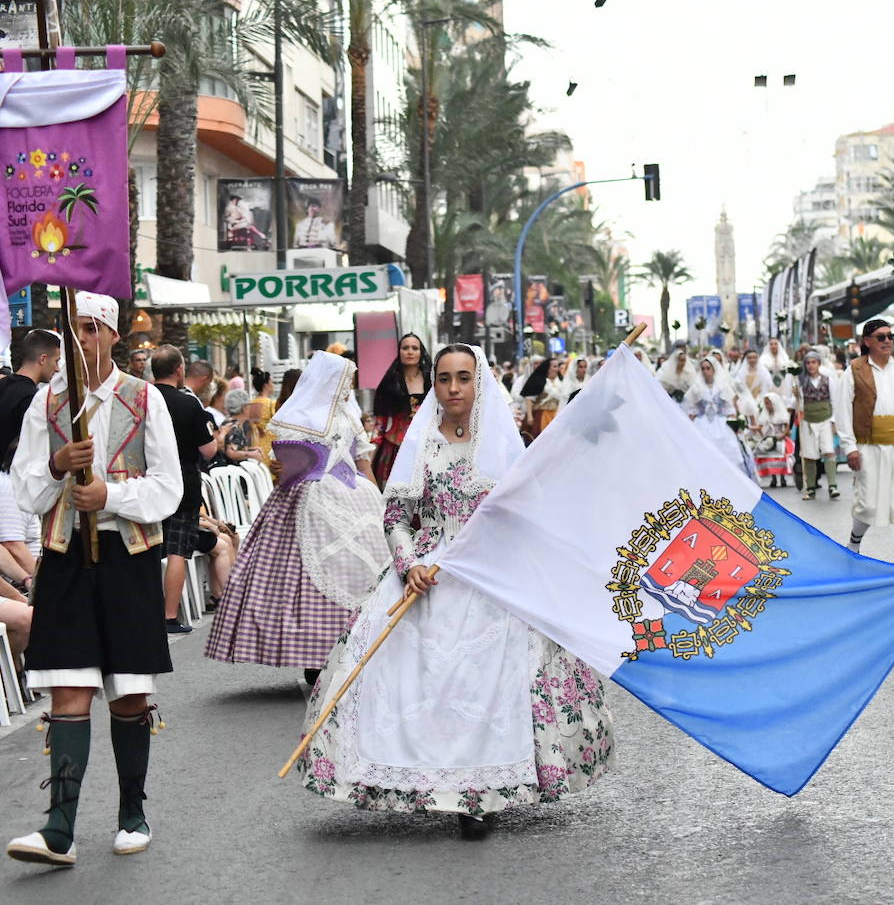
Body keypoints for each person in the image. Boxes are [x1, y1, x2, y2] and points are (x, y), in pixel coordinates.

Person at [296, 344, 612, 837]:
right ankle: (431, 782)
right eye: (444, 379)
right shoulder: (422, 445)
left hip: (495, 578)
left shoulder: (506, 447)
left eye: (463, 378)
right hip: (432, 573)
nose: (453, 389)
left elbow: (529, 517)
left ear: (478, 382)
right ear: (434, 384)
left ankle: (479, 797)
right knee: (425, 684)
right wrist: (410, 565)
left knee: (488, 682)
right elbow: (396, 518)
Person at [7, 293, 183, 866]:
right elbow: (27, 490)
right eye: (71, 330)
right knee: (69, 687)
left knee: (130, 692)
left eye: (89, 328)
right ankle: (59, 829)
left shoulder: (144, 398)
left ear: (111, 336)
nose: (80, 340)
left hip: (127, 557)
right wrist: (58, 467)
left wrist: (112, 494)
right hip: (64, 558)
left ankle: (132, 812)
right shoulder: (45, 403)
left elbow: (168, 488)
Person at [205, 352, 386, 686]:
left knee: (357, 571)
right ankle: (315, 653)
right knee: (302, 578)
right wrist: (285, 469)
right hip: (307, 498)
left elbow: (362, 463)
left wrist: (381, 503)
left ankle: (353, 647)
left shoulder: (349, 415)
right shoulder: (302, 414)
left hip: (353, 495)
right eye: (345, 381)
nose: (348, 388)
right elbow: (287, 459)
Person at [833, 319, 894, 565]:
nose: (887, 340)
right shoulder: (854, 370)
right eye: (881, 337)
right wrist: (850, 447)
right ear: (867, 341)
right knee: (867, 502)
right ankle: (854, 543)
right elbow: (843, 410)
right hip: (870, 446)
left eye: (890, 336)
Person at [150, 346, 218, 635]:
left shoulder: (141, 399)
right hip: (182, 483)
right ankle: (169, 616)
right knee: (177, 550)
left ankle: (146, 611)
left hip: (147, 483)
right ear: (179, 370)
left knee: (148, 547)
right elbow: (209, 449)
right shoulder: (190, 404)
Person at [0, 329, 60, 577]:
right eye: (57, 361)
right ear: (43, 358)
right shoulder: (33, 401)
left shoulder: (4, 386)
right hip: (12, 485)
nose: (58, 369)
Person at [371, 333, 432, 485]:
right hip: (394, 449)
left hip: (427, 448)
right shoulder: (389, 383)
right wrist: (369, 454)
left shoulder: (433, 381)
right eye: (405, 348)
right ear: (399, 352)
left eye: (414, 348)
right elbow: (380, 423)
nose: (410, 352)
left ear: (421, 352)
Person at [685, 356, 754, 480]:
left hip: (720, 423)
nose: (706, 371)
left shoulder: (722, 387)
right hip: (702, 422)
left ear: (714, 370)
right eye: (703, 368)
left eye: (708, 368)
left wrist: (735, 424)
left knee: (728, 449)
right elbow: (692, 409)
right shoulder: (696, 387)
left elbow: (729, 408)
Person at [795, 348, 840, 500]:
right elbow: (798, 402)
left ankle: (832, 486)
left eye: (813, 362)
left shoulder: (828, 380)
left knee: (828, 451)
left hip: (825, 419)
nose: (811, 366)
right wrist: (796, 403)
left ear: (819, 363)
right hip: (808, 421)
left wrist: (834, 421)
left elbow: (834, 401)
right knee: (809, 454)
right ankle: (811, 486)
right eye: (808, 363)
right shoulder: (800, 382)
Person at [752, 391, 792, 487]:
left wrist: (782, 435)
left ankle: (782, 477)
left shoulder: (781, 414)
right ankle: (773, 477)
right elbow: (760, 427)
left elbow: (787, 427)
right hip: (769, 438)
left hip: (779, 438)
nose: (767, 406)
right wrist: (752, 429)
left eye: (768, 403)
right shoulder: (765, 415)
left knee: (781, 454)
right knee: (767, 455)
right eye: (765, 404)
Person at [247, 367, 277, 457]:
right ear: (266, 385)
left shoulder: (251, 404)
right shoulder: (271, 404)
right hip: (269, 446)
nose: (273, 384)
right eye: (271, 382)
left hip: (254, 445)